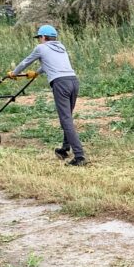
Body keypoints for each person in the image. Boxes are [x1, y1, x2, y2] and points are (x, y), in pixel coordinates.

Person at [9, 24, 86, 166]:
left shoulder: (41, 48)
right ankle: (64, 149)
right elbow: (48, 65)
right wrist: (37, 73)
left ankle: (79, 157)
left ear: (43, 37)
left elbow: (26, 62)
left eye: (39, 38)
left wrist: (14, 73)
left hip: (61, 84)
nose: (39, 40)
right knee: (67, 117)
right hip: (73, 81)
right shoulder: (61, 48)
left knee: (65, 120)